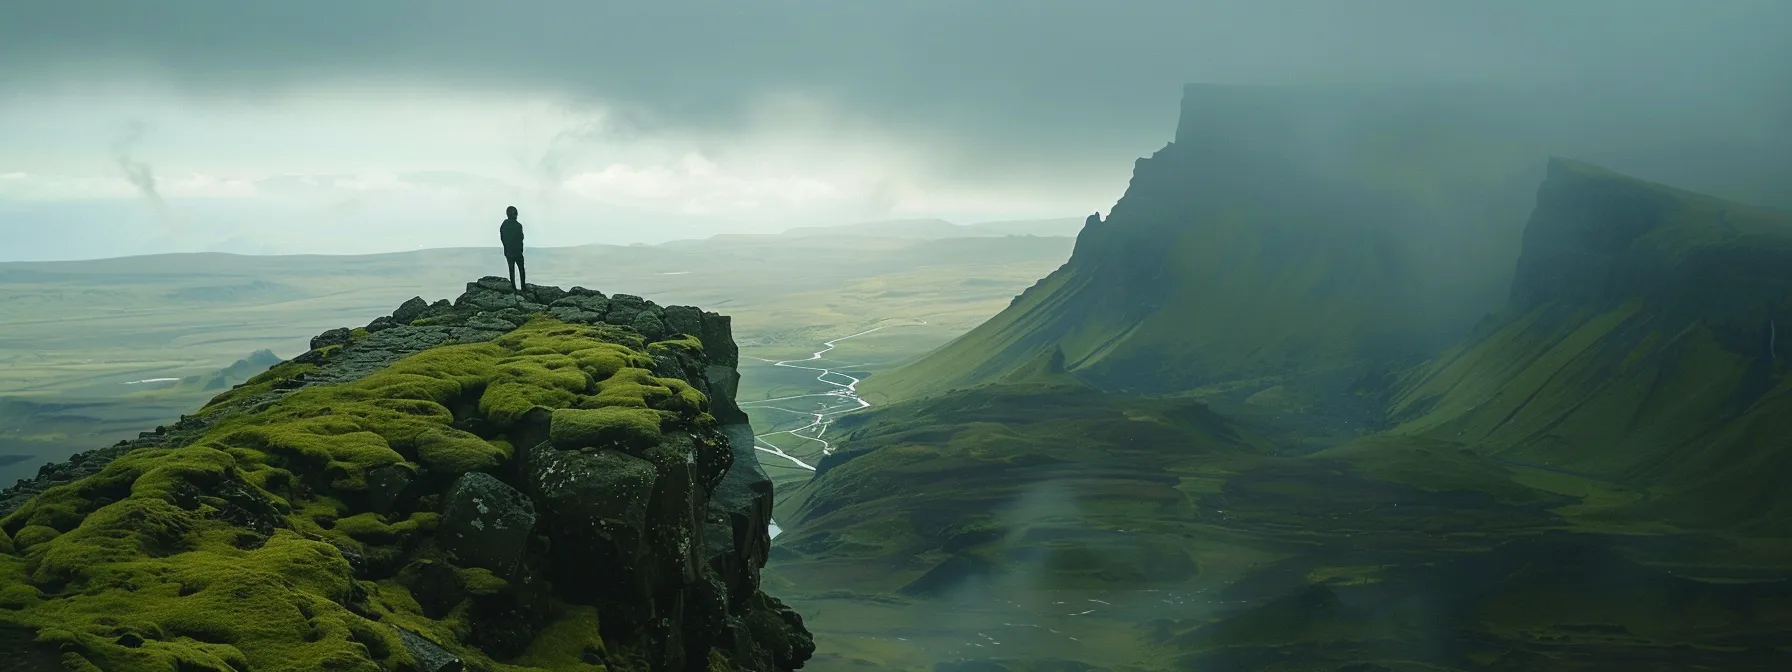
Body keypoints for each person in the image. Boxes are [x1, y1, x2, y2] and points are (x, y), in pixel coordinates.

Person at [500, 206, 526, 291]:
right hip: (518, 251)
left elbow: (502, 238)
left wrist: (506, 247)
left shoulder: (504, 225)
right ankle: (523, 287)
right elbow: (521, 238)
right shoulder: (518, 226)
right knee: (521, 269)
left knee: (511, 270)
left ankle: (514, 287)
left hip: (508, 251)